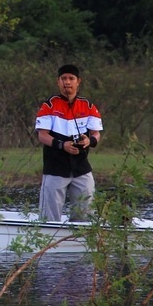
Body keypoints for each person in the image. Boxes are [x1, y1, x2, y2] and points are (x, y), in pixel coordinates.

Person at [35, 64, 103, 222]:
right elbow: (42, 135)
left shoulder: (88, 106)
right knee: (49, 218)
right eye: (64, 78)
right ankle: (47, 244)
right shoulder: (49, 105)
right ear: (58, 82)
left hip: (81, 167)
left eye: (71, 78)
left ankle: (78, 244)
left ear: (78, 81)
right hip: (55, 167)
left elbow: (96, 134)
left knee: (85, 216)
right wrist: (62, 145)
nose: (67, 82)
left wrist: (89, 140)